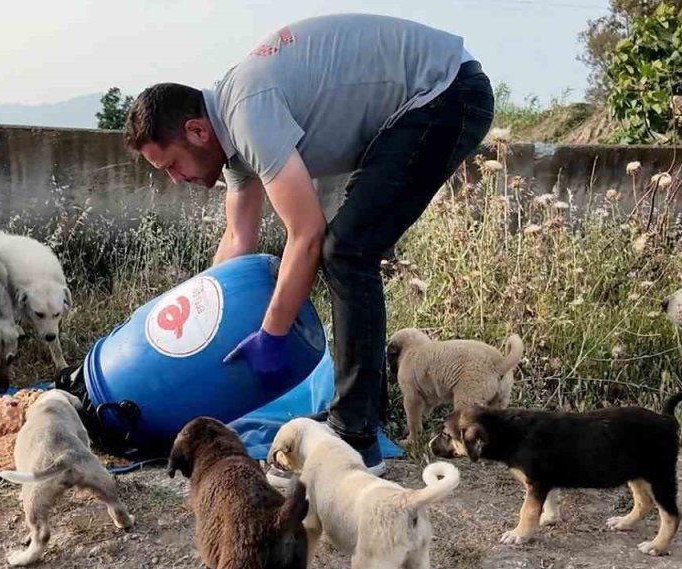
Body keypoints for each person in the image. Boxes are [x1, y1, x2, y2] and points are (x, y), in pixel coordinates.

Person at [125, 13, 494, 476]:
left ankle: (355, 438)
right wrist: (202, 323)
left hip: (446, 93)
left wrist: (273, 335)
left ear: (197, 131)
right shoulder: (231, 133)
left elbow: (306, 234)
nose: (177, 179)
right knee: (348, 248)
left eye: (171, 166)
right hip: (421, 102)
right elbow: (237, 240)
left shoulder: (247, 113)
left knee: (346, 249)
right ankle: (360, 415)